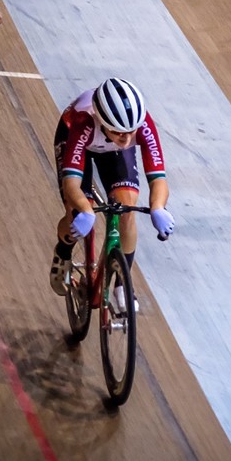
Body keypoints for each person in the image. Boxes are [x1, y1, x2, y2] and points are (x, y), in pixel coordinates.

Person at [49, 78, 175, 309]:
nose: (126, 138)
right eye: (118, 132)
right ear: (103, 121)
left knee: (127, 209)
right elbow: (71, 185)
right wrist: (85, 211)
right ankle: (63, 251)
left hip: (111, 150)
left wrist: (158, 208)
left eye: (130, 132)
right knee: (77, 212)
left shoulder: (142, 124)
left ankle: (122, 282)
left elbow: (158, 178)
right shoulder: (84, 122)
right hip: (75, 140)